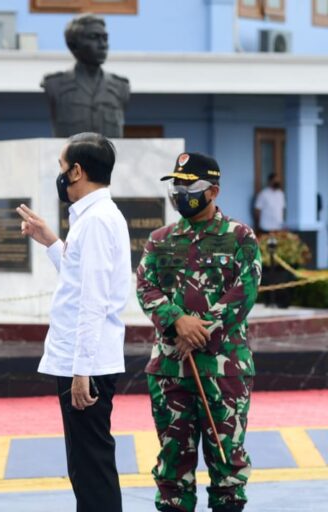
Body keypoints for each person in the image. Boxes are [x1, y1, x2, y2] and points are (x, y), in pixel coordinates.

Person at [136, 152, 261, 512]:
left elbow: (245, 291)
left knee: (228, 471)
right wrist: (177, 320)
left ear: (214, 191)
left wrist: (200, 330)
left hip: (224, 371)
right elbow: (145, 286)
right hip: (171, 372)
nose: (181, 193)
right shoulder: (160, 240)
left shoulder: (239, 237)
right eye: (176, 185)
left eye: (190, 186)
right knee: (172, 470)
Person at [16, 133, 130, 512]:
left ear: (78, 171)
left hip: (88, 364)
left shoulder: (97, 220)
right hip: (86, 360)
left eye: (63, 169)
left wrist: (81, 370)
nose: (61, 177)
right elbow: (80, 278)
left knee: (91, 469)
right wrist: (51, 242)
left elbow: (93, 300)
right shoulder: (92, 218)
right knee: (85, 467)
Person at [41, 14, 130, 138]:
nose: (103, 45)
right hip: (73, 157)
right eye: (94, 37)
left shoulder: (120, 86)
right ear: (73, 45)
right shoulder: (55, 85)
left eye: (105, 38)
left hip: (110, 157)